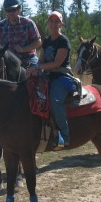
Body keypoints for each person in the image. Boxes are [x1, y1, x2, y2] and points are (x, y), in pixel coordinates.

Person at [26, 11, 78, 150]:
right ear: (48, 23)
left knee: (55, 102)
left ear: (61, 23)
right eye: (51, 21)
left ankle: (64, 137)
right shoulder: (47, 41)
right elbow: (41, 59)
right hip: (47, 75)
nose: (54, 24)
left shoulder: (63, 41)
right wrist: (34, 70)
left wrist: (40, 67)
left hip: (61, 76)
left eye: (57, 21)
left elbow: (56, 63)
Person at [0, 0, 42, 67]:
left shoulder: (28, 23)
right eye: (8, 10)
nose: (11, 13)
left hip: (28, 58)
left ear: (19, 9)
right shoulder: (0, 26)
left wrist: (23, 49)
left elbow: (38, 42)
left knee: (39, 72)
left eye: (13, 10)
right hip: (7, 60)